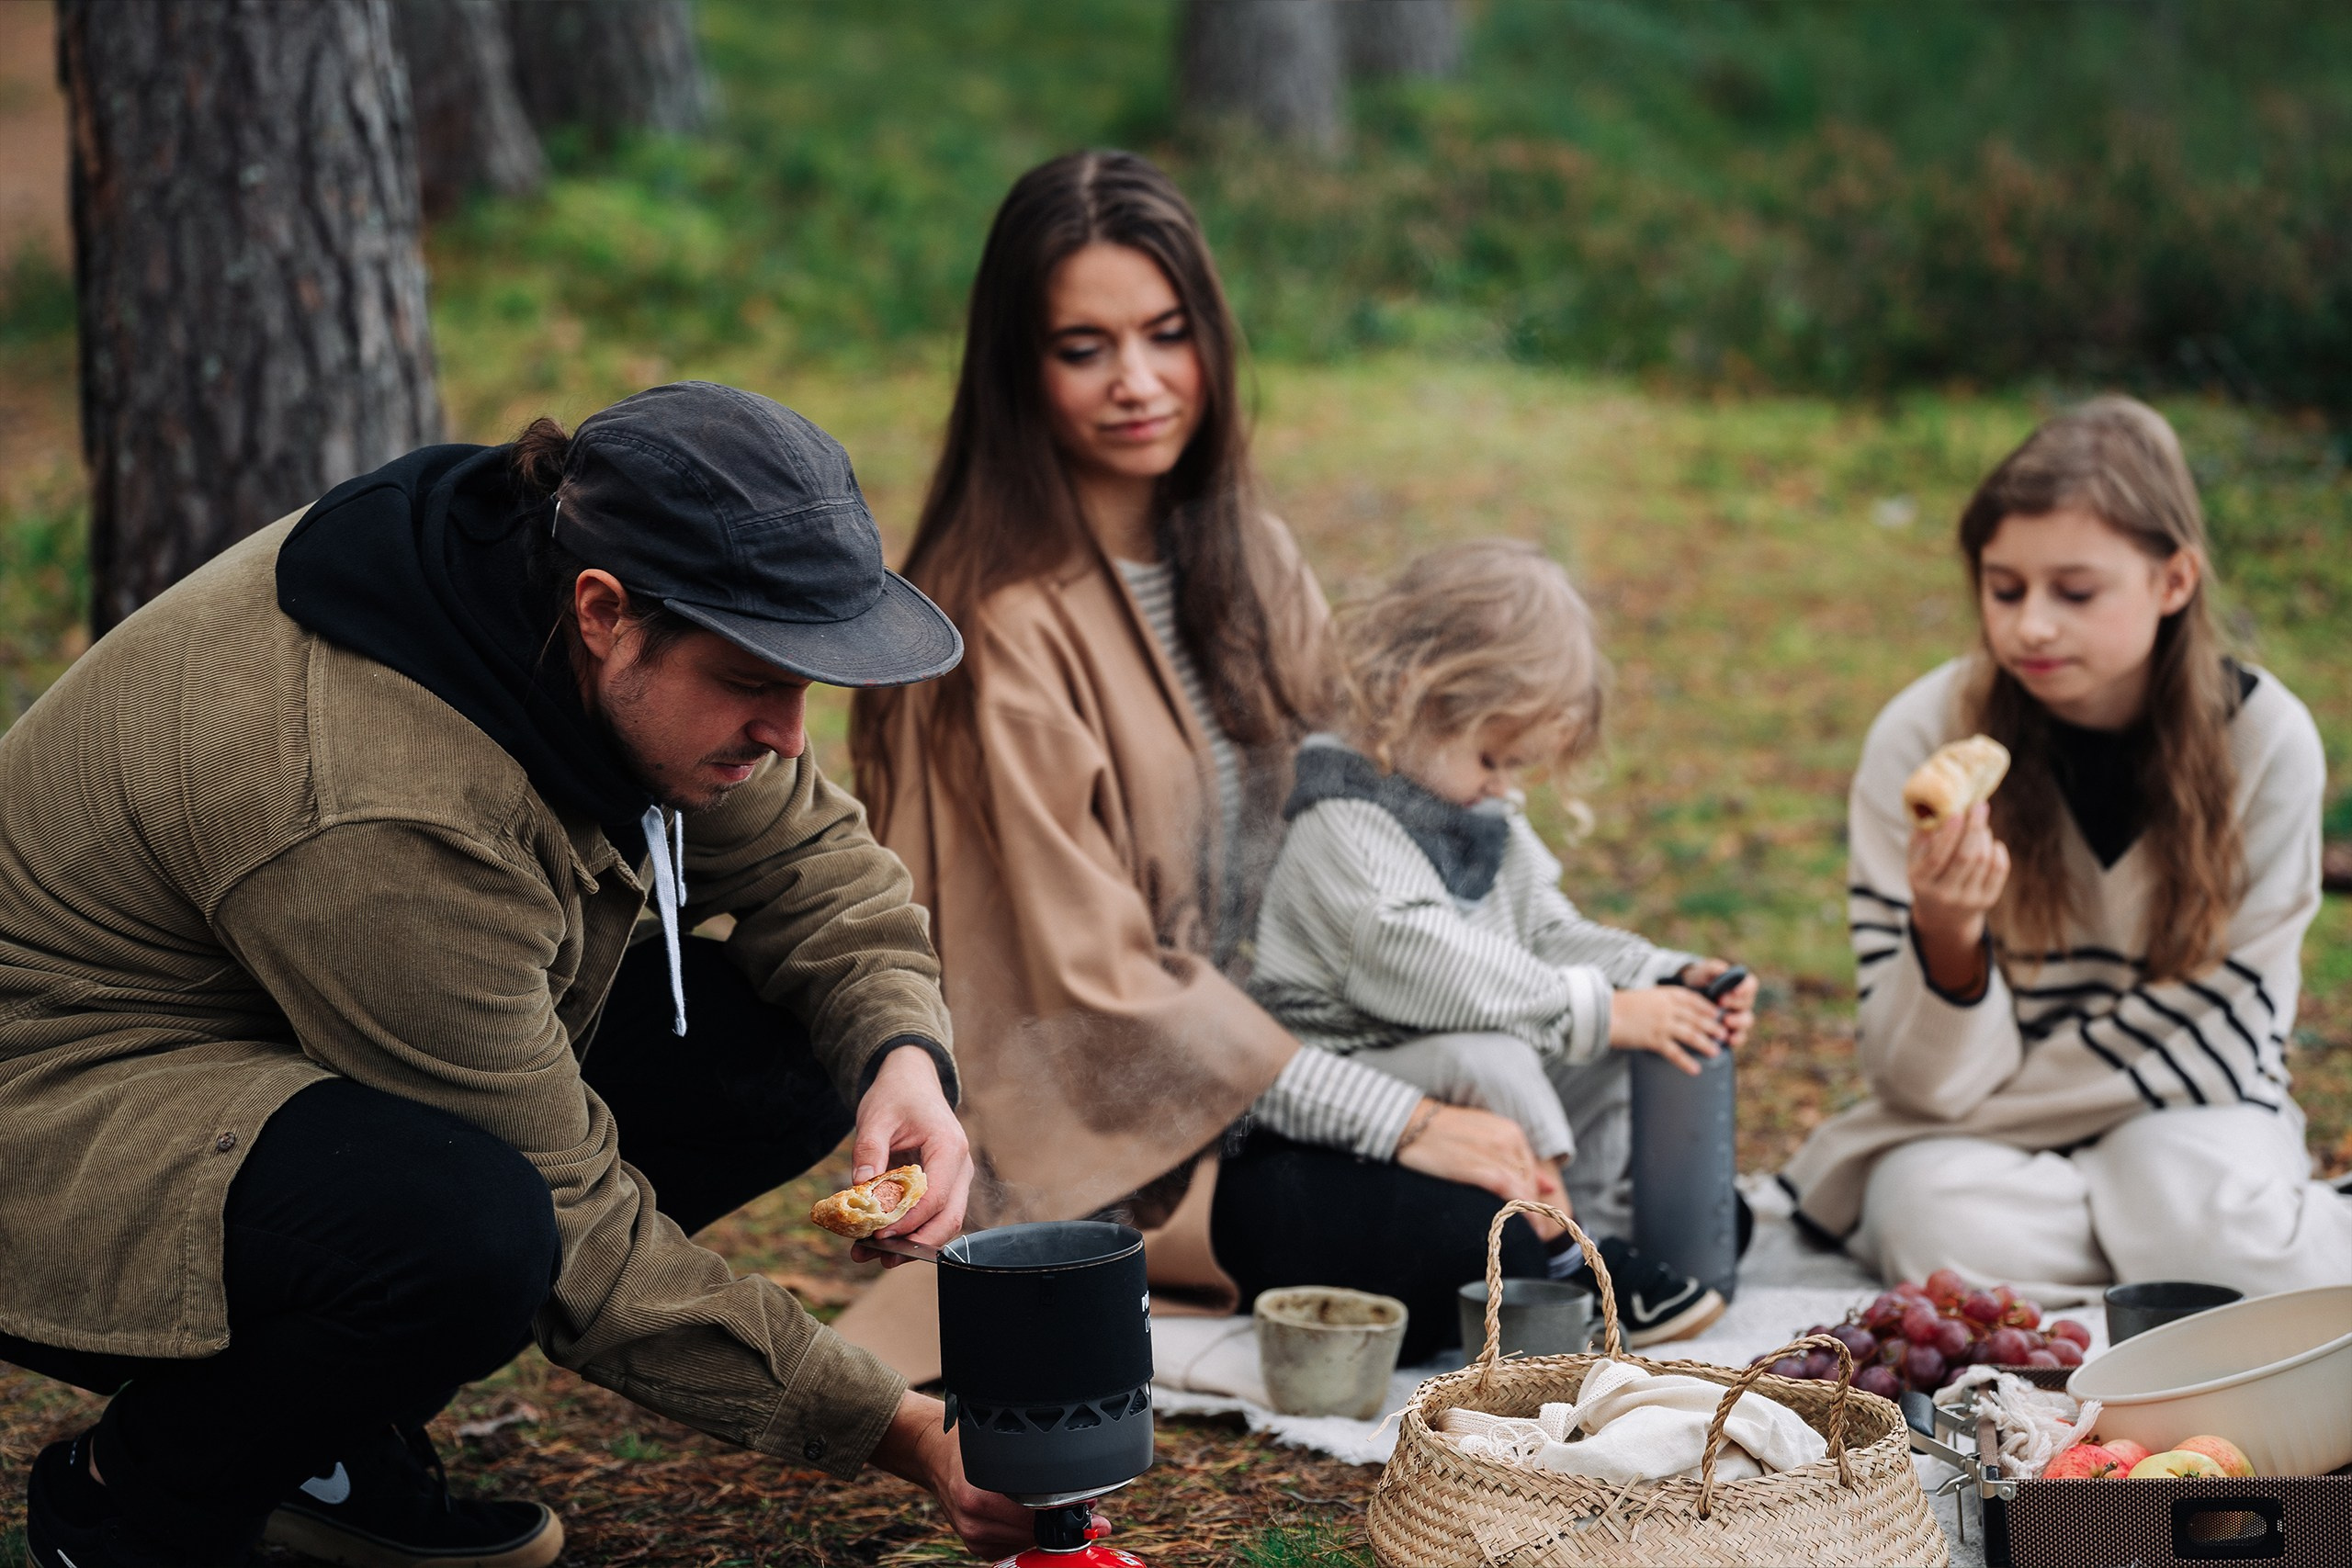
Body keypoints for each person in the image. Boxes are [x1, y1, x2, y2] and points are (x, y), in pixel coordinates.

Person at [0, 383, 1033, 1566]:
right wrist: (899, 1430)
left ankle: (326, 1443)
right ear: (604, 613)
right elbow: (570, 1221)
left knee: (801, 1044)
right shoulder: (382, 803)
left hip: (275, 1036)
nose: (792, 733)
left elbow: (811, 864)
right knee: (473, 1234)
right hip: (56, 1118)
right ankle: (135, 1502)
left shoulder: (552, 575)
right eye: (754, 680)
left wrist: (904, 1056)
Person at [847, 151, 1566, 1366]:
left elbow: (1357, 808)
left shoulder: (1250, 554)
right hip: (1123, 1135)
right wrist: (1399, 1119)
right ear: (1019, 370)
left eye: (1167, 334)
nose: (1139, 382)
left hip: (1289, 1046)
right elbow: (1097, 996)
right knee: (1481, 1227)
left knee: (1569, 1103)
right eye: (1085, 348)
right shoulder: (997, 628)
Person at [1782, 396, 2352, 1302]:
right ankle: (2183, 1265)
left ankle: (2181, 1240)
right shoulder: (1922, 735)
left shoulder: (2264, 740)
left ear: (2172, 582)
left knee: (2173, 1190)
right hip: (1984, 1145)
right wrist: (1945, 938)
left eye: (2073, 592)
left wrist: (1953, 1118)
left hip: (2187, 1111)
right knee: (1926, 1221)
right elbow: (1916, 1082)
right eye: (2003, 589)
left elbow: (2224, 1025)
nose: (2029, 627)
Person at [1248, 540, 1758, 1345]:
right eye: (1491, 757)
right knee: (1498, 1054)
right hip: (1353, 1071)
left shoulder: (1473, 809)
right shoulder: (1341, 821)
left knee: (1620, 1045)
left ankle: (1610, 1217)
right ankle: (1570, 1262)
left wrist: (1661, 977)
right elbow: (1427, 966)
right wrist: (1601, 1008)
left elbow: (1548, 932)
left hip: (1449, 1051)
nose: (1504, 785)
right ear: (1414, 698)